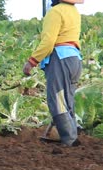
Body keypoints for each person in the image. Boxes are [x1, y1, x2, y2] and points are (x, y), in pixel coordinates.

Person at [23, 0, 84, 146]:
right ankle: (72, 134)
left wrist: (32, 61)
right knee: (68, 99)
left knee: (57, 100)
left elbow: (49, 41)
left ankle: (69, 139)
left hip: (60, 58)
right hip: (75, 58)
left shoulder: (55, 12)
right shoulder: (73, 11)